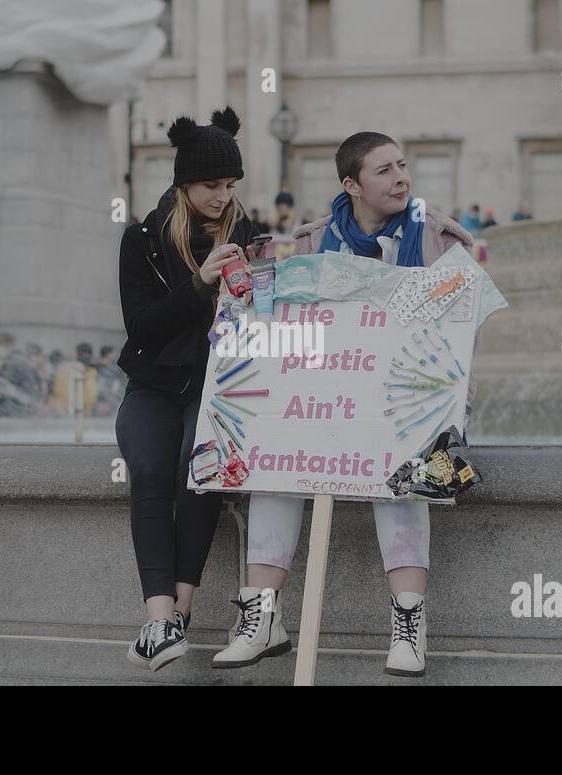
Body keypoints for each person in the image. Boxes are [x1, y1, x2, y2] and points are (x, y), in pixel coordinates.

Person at [212, 132, 477, 677]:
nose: (401, 177)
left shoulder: (439, 242)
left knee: (401, 465)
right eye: (384, 171)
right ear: (351, 185)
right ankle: (262, 616)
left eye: (403, 165)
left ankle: (409, 622)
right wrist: (240, 291)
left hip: (405, 408)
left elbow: (459, 339)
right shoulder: (311, 246)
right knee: (273, 464)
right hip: (323, 402)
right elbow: (273, 321)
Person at [115, 107, 260, 671]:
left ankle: (178, 614)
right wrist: (201, 284)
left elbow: (256, 327)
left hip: (217, 385)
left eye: (230, 185)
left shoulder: (246, 236)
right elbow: (143, 329)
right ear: (182, 182)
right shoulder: (142, 242)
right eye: (210, 185)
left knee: (197, 465)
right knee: (149, 466)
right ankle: (160, 621)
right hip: (151, 384)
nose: (223, 196)